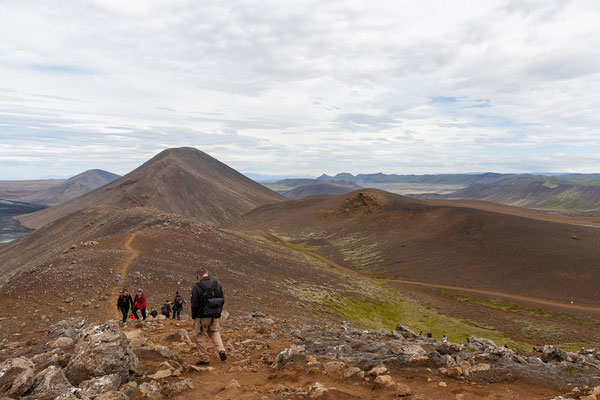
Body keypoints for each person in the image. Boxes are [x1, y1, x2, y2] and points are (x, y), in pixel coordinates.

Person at [191, 267, 227, 365]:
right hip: (214, 315)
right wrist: (217, 312)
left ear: (199, 276)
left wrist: (194, 316)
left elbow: (194, 304)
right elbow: (222, 298)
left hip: (202, 317)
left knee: (199, 336)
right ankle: (221, 350)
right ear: (207, 273)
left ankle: (204, 359)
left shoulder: (197, 286)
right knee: (215, 332)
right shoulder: (217, 284)